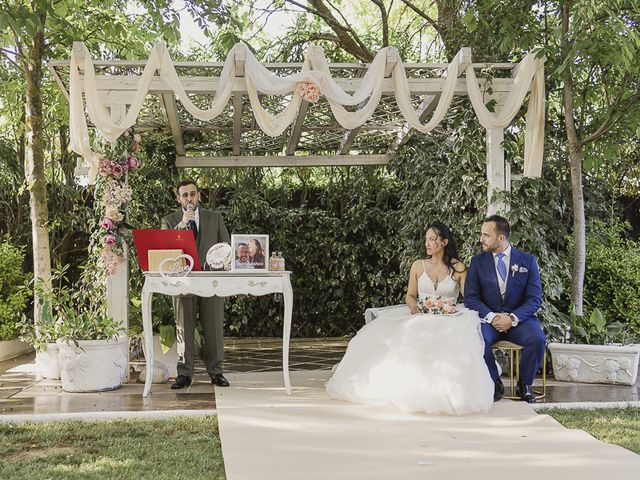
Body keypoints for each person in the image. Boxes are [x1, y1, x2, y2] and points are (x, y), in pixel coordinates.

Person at [325, 222, 494, 415]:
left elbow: (467, 296)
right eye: (426, 239)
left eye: (432, 239)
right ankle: (412, 388)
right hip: (421, 313)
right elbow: (410, 295)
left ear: (444, 242)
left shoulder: (459, 267)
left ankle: (446, 390)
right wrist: (413, 307)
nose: (427, 243)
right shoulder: (418, 265)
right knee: (411, 330)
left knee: (455, 337)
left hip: (449, 317)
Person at [464, 215, 546, 403]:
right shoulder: (477, 262)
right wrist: (493, 317)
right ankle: (494, 383)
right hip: (489, 321)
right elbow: (471, 298)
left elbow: (535, 299)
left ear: (501, 238)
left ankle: (524, 385)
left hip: (519, 322)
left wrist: (512, 318)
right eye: (481, 234)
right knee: (476, 338)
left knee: (538, 339)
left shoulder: (527, 261)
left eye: (486, 235)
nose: (481, 239)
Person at [161, 179, 231, 389]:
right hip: (183, 282)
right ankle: (184, 374)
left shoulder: (215, 218)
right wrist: (182, 224)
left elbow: (226, 247)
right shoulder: (169, 220)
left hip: (212, 282)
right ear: (178, 198)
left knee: (214, 329)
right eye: (185, 195)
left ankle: (216, 372)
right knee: (184, 328)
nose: (189, 198)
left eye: (193, 194)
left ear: (199, 195)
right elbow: (165, 247)